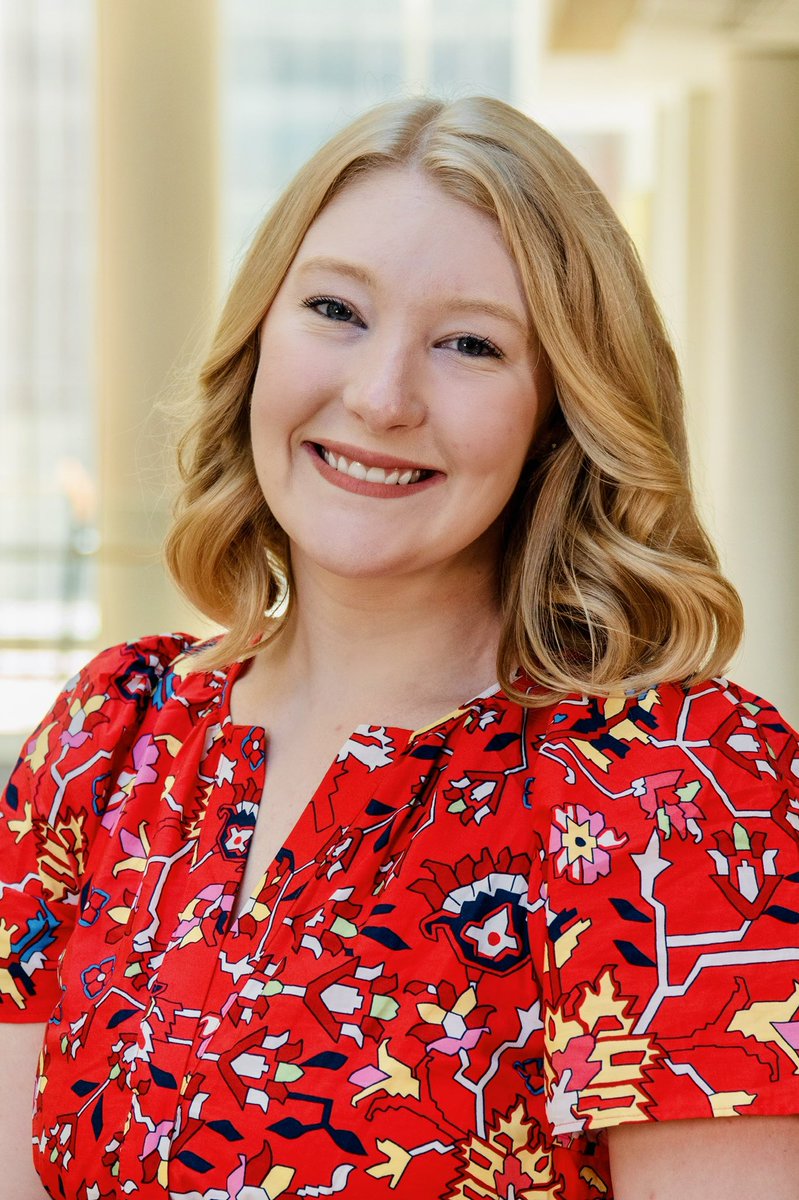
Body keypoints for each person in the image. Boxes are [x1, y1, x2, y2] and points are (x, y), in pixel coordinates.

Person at [1, 95, 797, 1200]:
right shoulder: (110, 732)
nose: (379, 397)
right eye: (335, 309)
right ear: (259, 341)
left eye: (470, 343)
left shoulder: (677, 790)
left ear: (559, 414)